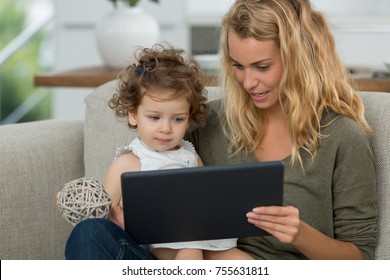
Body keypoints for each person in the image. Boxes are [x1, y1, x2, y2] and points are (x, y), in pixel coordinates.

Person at [65, 0, 377, 260]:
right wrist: (127, 220)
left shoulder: (342, 137)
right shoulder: (209, 121)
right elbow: (156, 170)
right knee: (90, 234)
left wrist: (301, 234)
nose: (248, 82)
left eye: (262, 67)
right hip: (185, 264)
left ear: (299, 60)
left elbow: (360, 258)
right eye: (237, 66)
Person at [66, 44, 252, 260]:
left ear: (189, 117)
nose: (166, 128)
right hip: (156, 254)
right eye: (155, 117)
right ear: (133, 115)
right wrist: (81, 203)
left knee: (241, 260)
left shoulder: (190, 156)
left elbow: (204, 202)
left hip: (200, 242)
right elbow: (102, 218)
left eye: (178, 119)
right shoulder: (127, 164)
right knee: (91, 231)